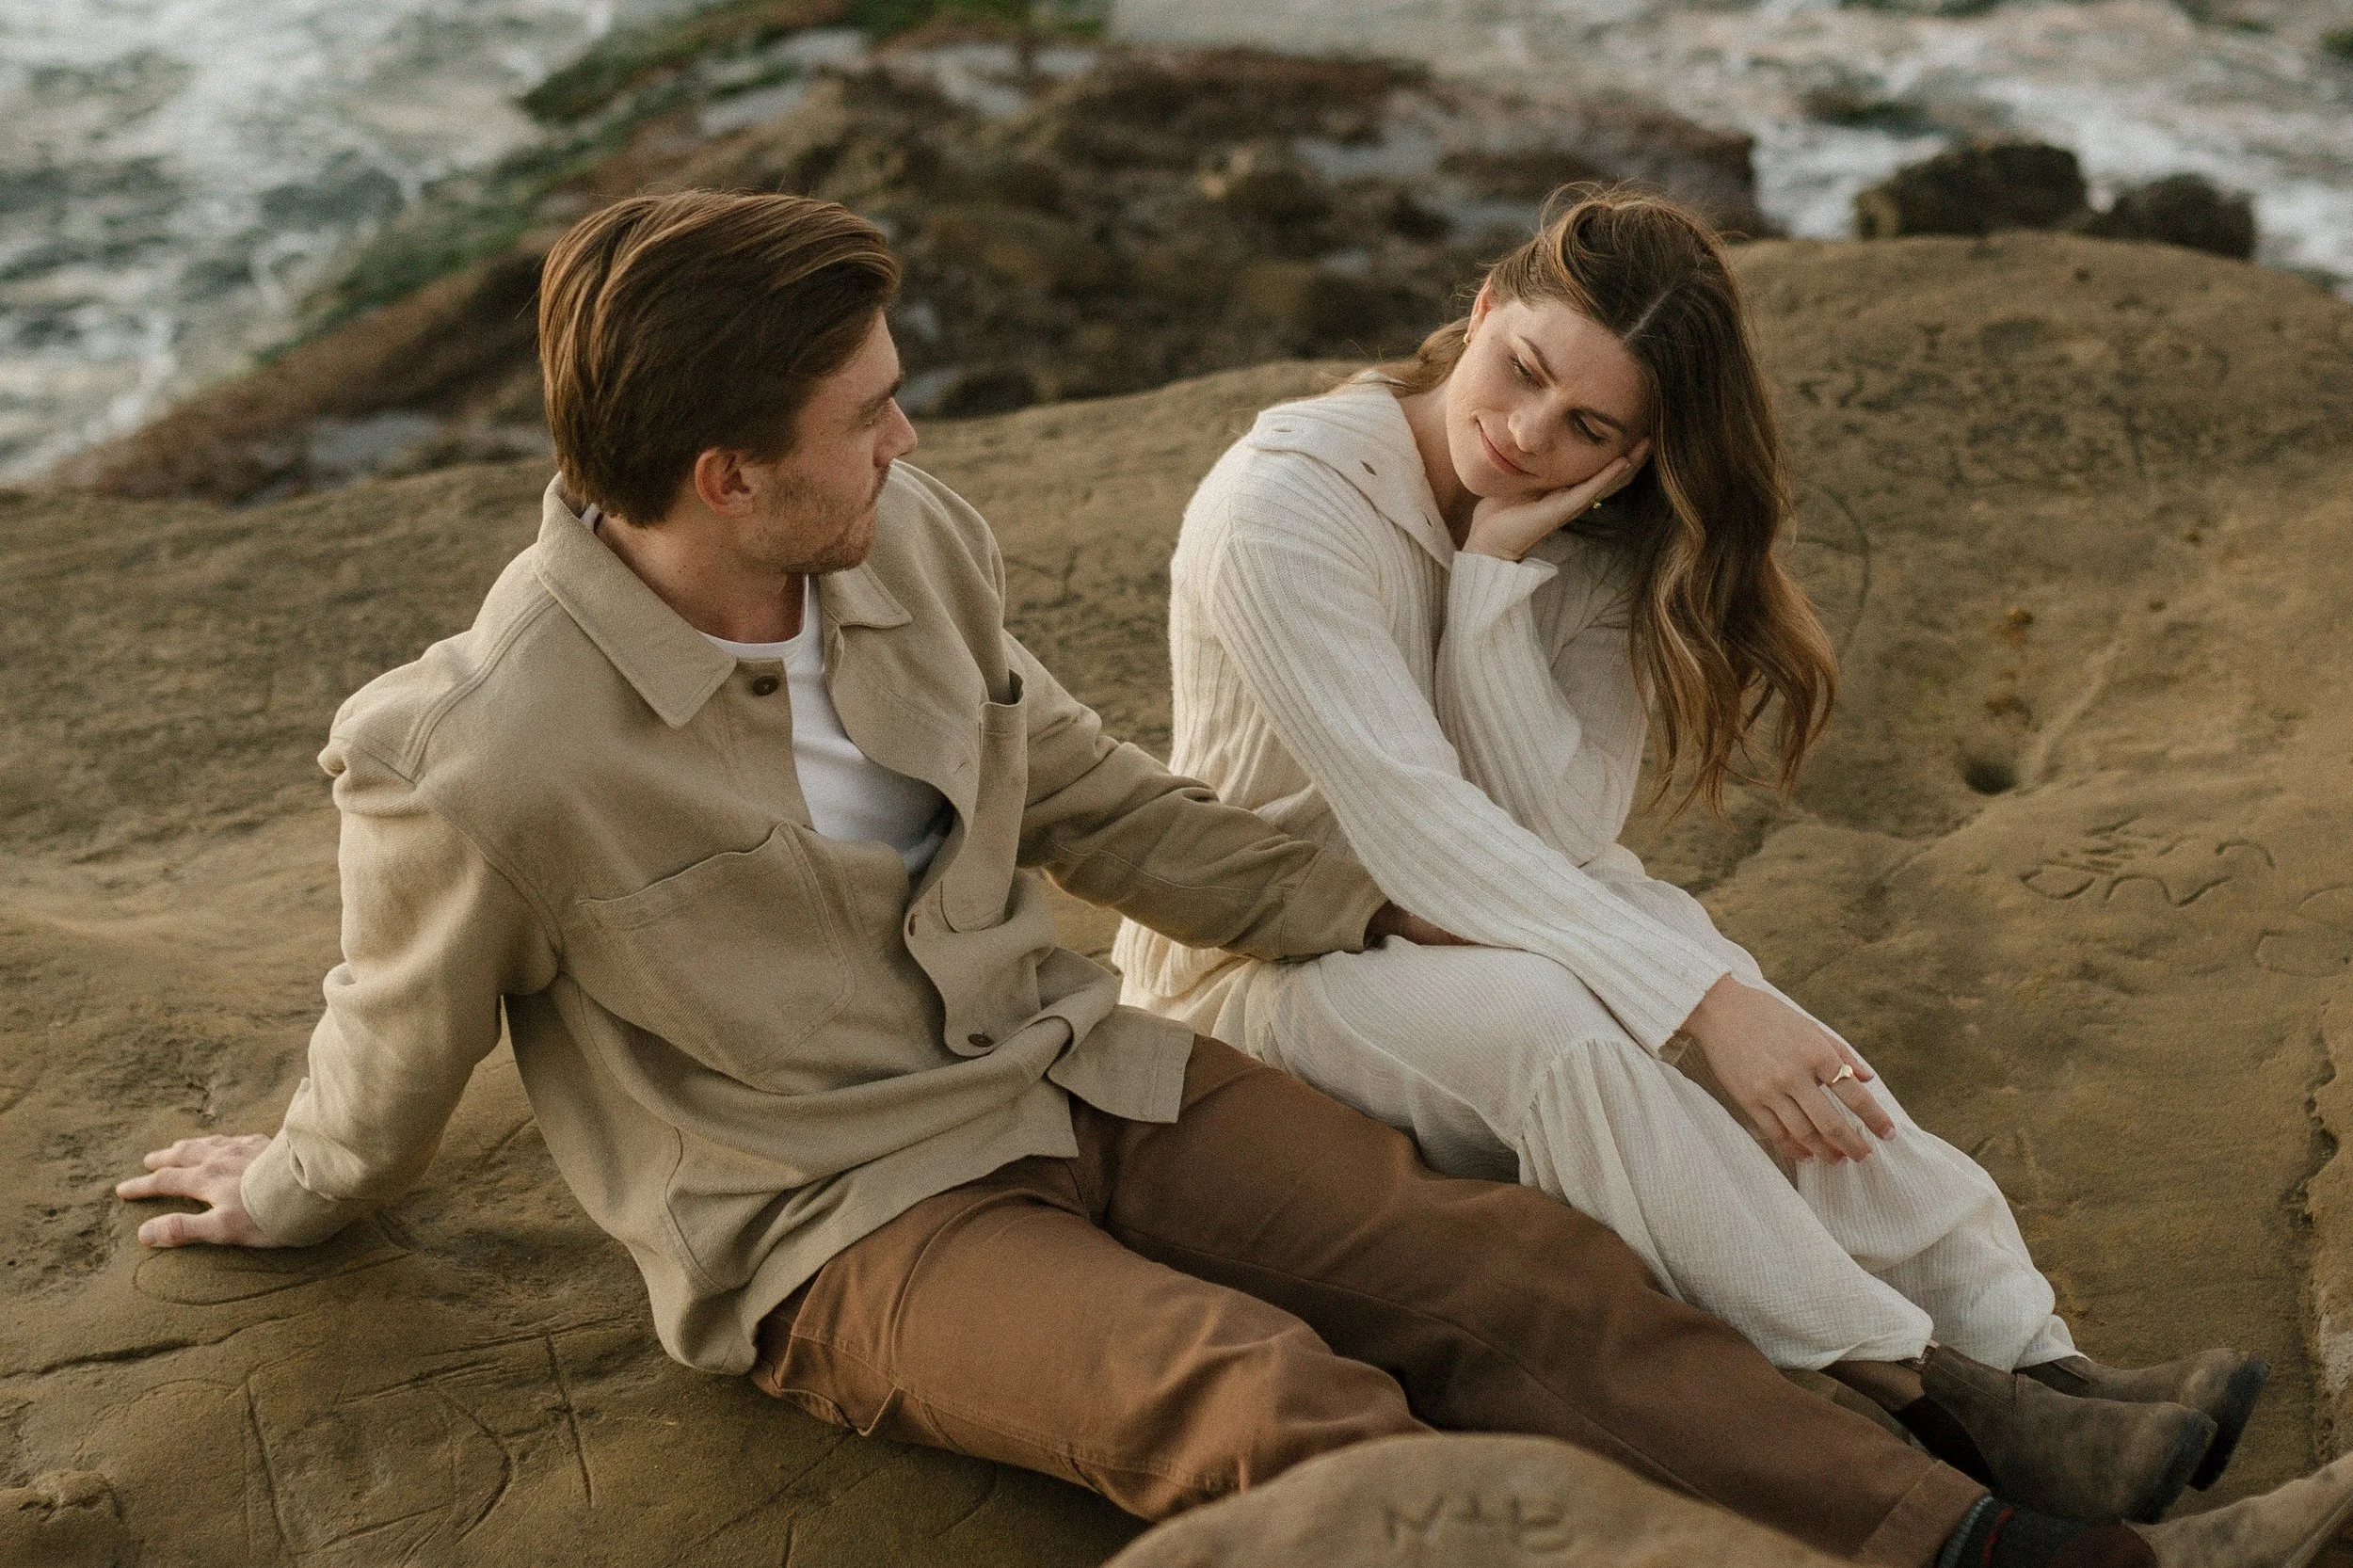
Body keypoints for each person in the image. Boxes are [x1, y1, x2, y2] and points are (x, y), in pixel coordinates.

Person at [117, 189, 2349, 1568]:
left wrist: (1392, 912)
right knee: (1280, 1404)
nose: (910, 438)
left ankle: (2029, 1556)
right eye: (869, 411)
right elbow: (392, 1036)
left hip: (1079, 1068)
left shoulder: (906, 551)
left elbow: (1086, 795)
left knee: (1525, 1285)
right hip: (843, 1216)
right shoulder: (478, 750)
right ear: (723, 470)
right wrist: (303, 1178)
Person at [1112, 186, 2268, 1513]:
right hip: (1264, 959)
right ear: (1481, 311)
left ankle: (2042, 1363)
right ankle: (1933, 1390)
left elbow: (1557, 833)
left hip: (1458, 910)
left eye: (1588, 427)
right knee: (1563, 1017)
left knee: (1734, 995)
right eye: (1522, 370)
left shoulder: (1588, 528)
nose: (1529, 432)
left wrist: (1492, 586)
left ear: (1637, 448)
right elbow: (1417, 827)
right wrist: (1701, 1012)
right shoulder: (1284, 508)